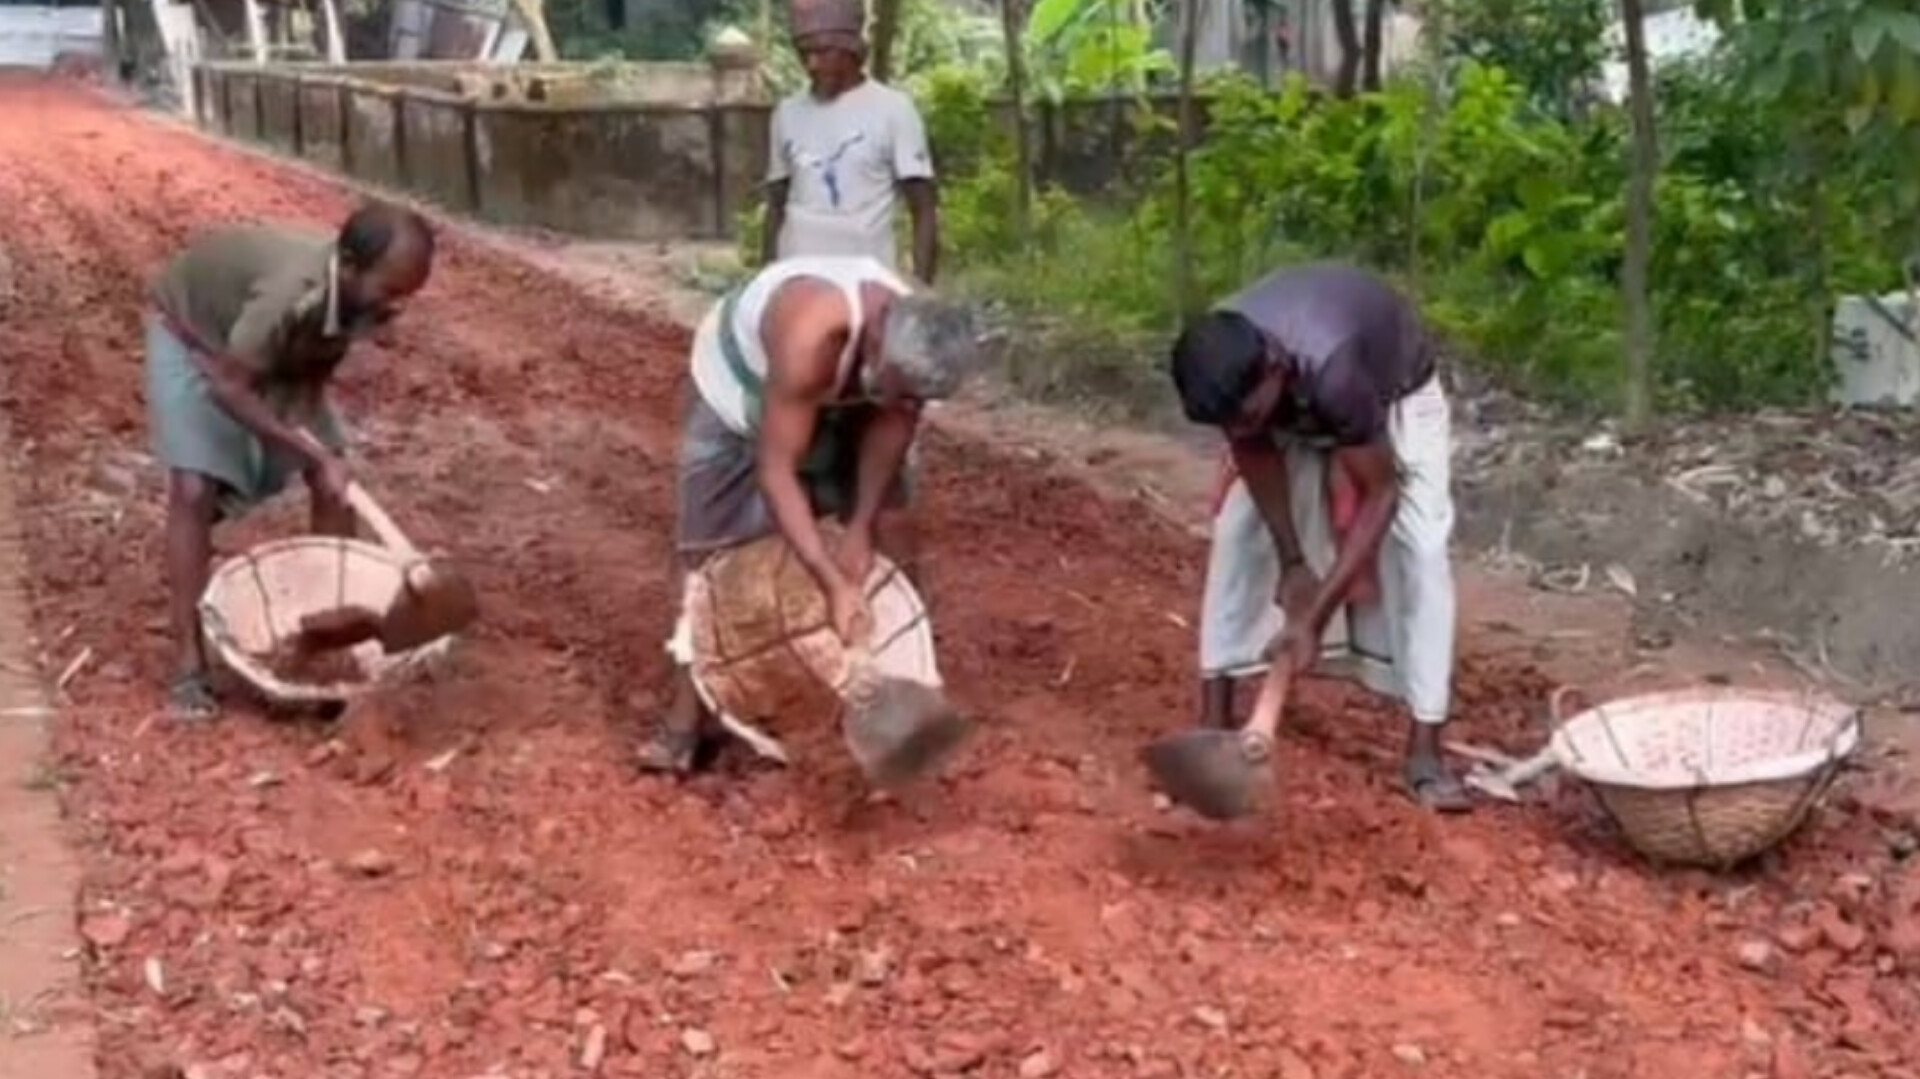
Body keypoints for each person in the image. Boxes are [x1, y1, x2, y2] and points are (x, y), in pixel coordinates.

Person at [638, 254, 986, 774]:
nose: (903, 404)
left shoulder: (912, 349)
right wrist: (830, 578)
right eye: (897, 391)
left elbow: (892, 430)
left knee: (894, 528)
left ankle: (902, 713)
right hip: (744, 386)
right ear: (874, 343)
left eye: (913, 399)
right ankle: (684, 722)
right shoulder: (809, 336)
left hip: (851, 380)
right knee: (709, 553)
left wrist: (861, 528)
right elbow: (776, 471)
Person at [1168, 262, 1470, 812]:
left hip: (1393, 391)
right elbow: (1252, 445)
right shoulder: (1226, 367)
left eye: (1246, 414)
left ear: (1275, 370)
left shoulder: (1334, 372)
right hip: (1297, 399)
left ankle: (1426, 749)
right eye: (1226, 423)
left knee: (1420, 549)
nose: (1236, 429)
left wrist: (1312, 617)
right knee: (1238, 531)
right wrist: (1292, 563)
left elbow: (1381, 495)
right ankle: (1212, 726)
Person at [145, 203, 437, 720]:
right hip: (197, 342)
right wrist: (309, 450)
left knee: (335, 484)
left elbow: (310, 363)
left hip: (271, 353)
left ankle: (328, 641)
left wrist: (322, 456)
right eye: (391, 290)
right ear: (347, 266)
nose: (397, 307)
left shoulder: (354, 297)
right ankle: (189, 666)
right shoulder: (290, 294)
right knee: (194, 488)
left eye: (407, 295)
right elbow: (228, 387)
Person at [762, 0, 940, 281]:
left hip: (866, 284)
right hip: (796, 281)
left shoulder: (894, 110)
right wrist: (767, 281)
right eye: (803, 53)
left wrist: (920, 288)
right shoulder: (787, 113)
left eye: (822, 51)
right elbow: (776, 206)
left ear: (851, 50)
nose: (811, 64)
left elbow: (923, 207)